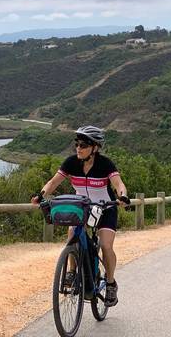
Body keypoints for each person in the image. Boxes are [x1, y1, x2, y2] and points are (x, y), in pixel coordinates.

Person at [31, 125, 130, 307]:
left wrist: (122, 196)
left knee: (106, 245)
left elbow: (118, 183)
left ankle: (110, 283)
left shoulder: (105, 164)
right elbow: (53, 182)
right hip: (82, 207)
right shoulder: (71, 163)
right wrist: (40, 195)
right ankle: (71, 271)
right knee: (72, 236)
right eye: (76, 144)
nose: (78, 148)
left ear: (95, 148)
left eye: (83, 145)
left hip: (105, 208)